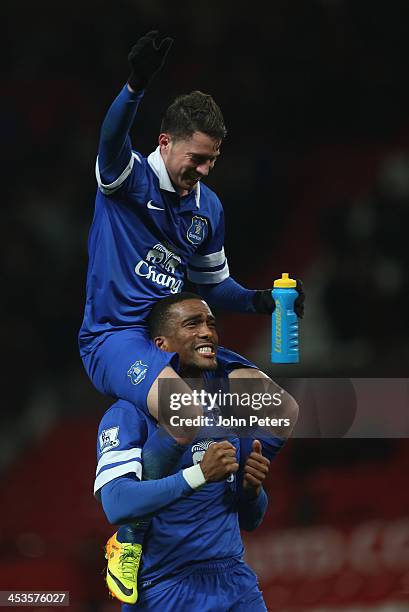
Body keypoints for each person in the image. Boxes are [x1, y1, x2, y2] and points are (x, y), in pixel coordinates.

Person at [79, 29, 305, 420]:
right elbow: (111, 138)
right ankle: (155, 472)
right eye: (197, 158)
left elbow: (212, 286)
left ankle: (228, 480)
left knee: (280, 412)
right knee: (186, 415)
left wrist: (261, 300)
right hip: (115, 337)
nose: (204, 169)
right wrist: (135, 86)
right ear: (165, 142)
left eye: (212, 159)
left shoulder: (209, 208)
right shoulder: (128, 179)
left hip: (179, 335)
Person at [95, 293, 299, 609]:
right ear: (160, 346)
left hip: (234, 582)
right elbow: (117, 504)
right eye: (193, 324)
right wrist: (198, 474)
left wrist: (251, 489)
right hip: (163, 589)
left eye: (210, 324)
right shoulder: (128, 414)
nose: (207, 332)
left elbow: (251, 518)